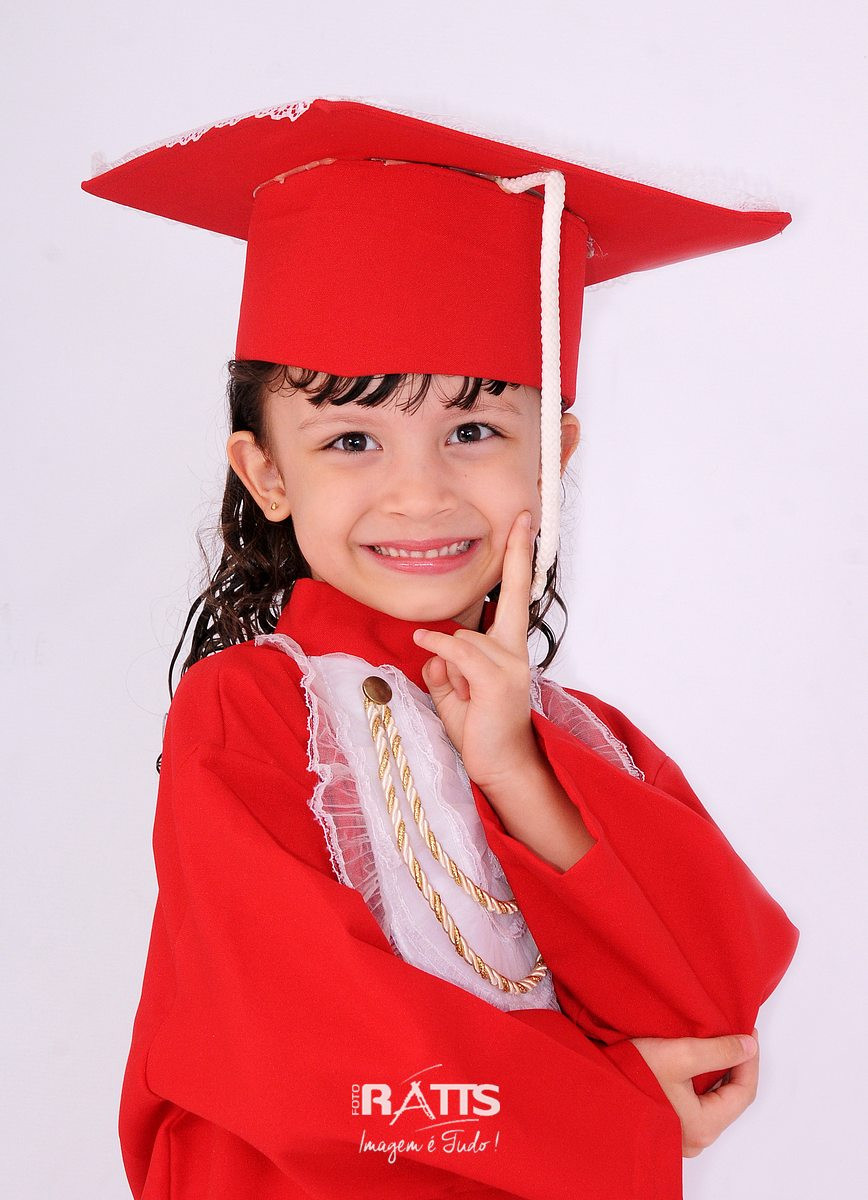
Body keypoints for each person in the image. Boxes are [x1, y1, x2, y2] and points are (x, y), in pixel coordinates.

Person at [82, 96, 800, 1199]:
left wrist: (514, 770)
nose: (419, 493)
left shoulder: (579, 737)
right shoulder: (251, 710)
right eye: (351, 439)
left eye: (473, 429)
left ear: (552, 455)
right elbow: (295, 1045)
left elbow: (710, 1022)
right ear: (266, 473)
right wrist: (604, 1106)